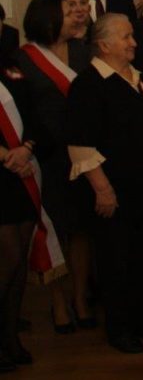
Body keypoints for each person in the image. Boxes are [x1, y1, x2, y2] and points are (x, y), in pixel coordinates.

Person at [67, 13, 143, 353]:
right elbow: (80, 145)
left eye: (132, 36)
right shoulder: (88, 84)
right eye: (126, 37)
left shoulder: (138, 78)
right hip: (114, 191)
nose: (133, 43)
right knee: (117, 261)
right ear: (104, 44)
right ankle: (119, 327)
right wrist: (102, 189)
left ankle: (140, 318)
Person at [14, 0, 92, 333]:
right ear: (48, 18)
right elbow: (22, 109)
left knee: (81, 229)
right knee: (55, 230)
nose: (75, 14)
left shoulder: (82, 50)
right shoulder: (23, 58)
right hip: (47, 155)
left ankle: (80, 298)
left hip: (84, 152)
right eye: (67, 11)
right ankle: (58, 302)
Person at [0, 67, 39, 370]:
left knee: (19, 263)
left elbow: (35, 115)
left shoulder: (11, 72)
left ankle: (10, 337)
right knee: (8, 259)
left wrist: (26, 150)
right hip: (5, 169)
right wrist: (7, 157)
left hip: (21, 173)